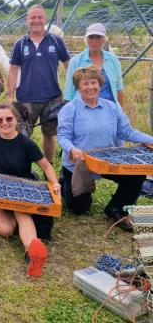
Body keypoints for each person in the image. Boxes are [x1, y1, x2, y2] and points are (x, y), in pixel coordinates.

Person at [57, 66, 153, 231]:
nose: (90, 87)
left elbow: (126, 132)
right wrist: (72, 149)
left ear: (99, 84)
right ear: (78, 87)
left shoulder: (111, 107)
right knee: (80, 209)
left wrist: (151, 140)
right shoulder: (69, 110)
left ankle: (117, 208)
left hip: (108, 160)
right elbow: (63, 137)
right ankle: (66, 182)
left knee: (137, 173)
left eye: (93, 83)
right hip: (81, 163)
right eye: (85, 84)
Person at [0, 103, 61, 277]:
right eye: (0, 120)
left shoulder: (26, 142)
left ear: (16, 120)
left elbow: (46, 166)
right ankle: (18, 224)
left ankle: (32, 254)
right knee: (5, 231)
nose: (4, 123)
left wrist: (55, 183)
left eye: (8, 119)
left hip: (21, 190)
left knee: (22, 213)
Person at [8, 4, 70, 163]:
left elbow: (69, 66)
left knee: (49, 134)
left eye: (39, 17)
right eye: (33, 17)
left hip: (52, 98)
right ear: (27, 20)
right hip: (26, 98)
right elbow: (13, 70)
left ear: (45, 19)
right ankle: (23, 168)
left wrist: (72, 92)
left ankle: (48, 166)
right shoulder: (20, 45)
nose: (36, 20)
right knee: (22, 134)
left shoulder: (56, 42)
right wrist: (10, 96)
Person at [64, 23, 123, 106]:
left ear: (104, 39)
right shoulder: (76, 61)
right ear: (86, 39)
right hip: (83, 110)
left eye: (98, 37)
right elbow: (69, 93)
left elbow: (119, 88)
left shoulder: (113, 60)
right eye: (91, 37)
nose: (94, 41)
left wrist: (120, 113)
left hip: (109, 110)